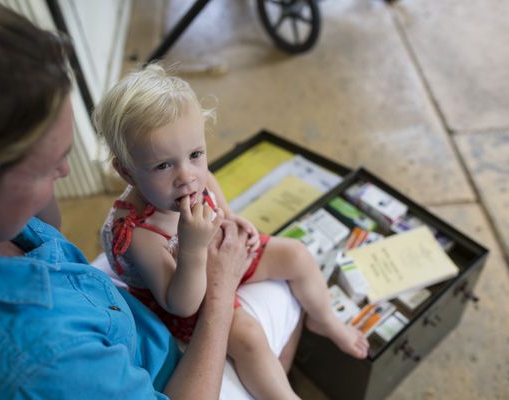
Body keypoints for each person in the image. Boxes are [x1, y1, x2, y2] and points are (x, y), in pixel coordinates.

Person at [0, 1, 302, 398]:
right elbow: (182, 305)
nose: (65, 172)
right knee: (281, 303)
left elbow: (49, 234)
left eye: (64, 153)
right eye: (46, 167)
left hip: (123, 313)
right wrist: (221, 286)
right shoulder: (39, 361)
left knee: (294, 264)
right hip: (174, 369)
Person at [93, 64, 369, 399]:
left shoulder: (191, 178)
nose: (187, 176)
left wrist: (230, 216)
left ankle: (324, 319)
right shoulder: (138, 233)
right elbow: (181, 304)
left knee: (297, 255)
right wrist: (193, 249)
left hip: (217, 251)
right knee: (249, 338)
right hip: (188, 292)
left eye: (195, 154)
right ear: (127, 172)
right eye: (164, 165)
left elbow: (208, 181)